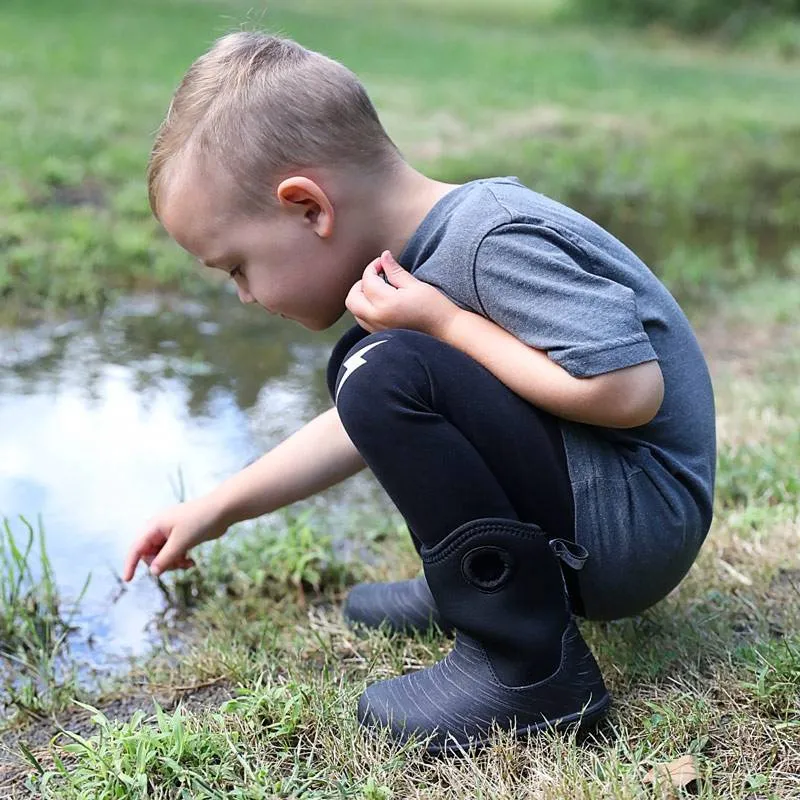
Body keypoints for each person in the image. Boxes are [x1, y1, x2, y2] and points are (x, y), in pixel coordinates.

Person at [122, 31, 716, 754]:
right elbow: (359, 422)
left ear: (309, 208)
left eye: (236, 267)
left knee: (385, 369)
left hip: (637, 523)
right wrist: (216, 508)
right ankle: (474, 587)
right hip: (606, 507)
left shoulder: (492, 238)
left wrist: (445, 323)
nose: (244, 296)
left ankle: (530, 670)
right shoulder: (431, 256)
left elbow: (628, 392)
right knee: (372, 366)